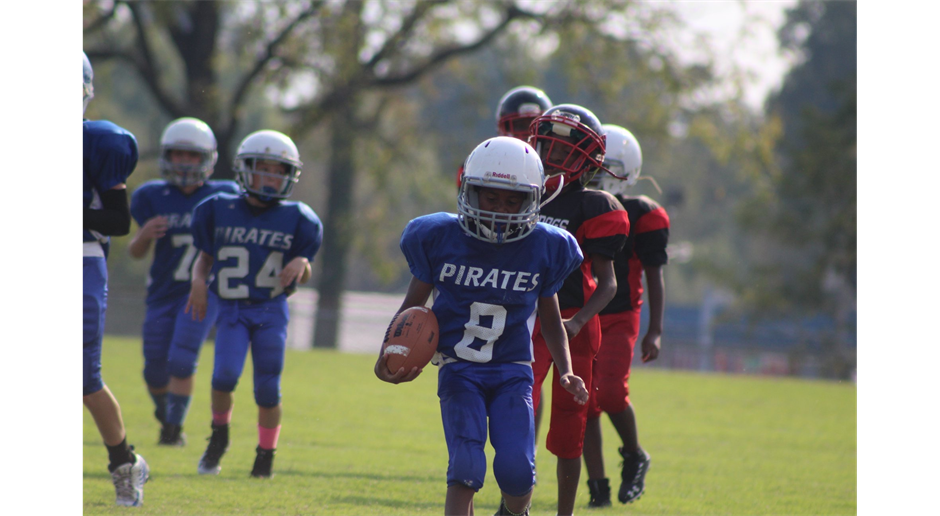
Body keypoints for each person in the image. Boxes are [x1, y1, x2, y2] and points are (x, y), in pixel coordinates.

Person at [375, 136, 590, 516]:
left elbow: (551, 318)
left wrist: (567, 370)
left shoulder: (545, 246)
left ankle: (514, 512)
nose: (501, 210)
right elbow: (412, 307)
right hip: (459, 370)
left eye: (512, 200)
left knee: (518, 472)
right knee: (466, 466)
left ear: (533, 200)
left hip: (512, 371)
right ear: (470, 192)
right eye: (491, 198)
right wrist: (388, 355)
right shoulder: (440, 238)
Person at [186, 130, 323, 478]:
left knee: (267, 387)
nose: (271, 178)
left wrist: (302, 265)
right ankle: (219, 437)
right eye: (264, 169)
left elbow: (301, 272)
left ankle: (266, 453)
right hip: (231, 308)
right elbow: (204, 258)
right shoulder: (218, 209)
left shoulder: (298, 217)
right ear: (245, 170)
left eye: (279, 171)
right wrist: (198, 281)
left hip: (270, 311)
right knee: (224, 377)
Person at [528, 105, 630, 516]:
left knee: (571, 423)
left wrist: (578, 321)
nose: (554, 155)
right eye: (549, 144)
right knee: (518, 402)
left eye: (566, 149)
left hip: (573, 322)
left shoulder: (595, 206)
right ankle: (512, 503)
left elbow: (609, 284)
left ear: (588, 159)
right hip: (529, 316)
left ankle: (564, 513)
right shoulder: (522, 189)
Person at [129, 118, 240, 446]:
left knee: (182, 359)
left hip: (202, 291)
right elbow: (136, 253)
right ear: (167, 156)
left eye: (192, 156)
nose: (185, 162)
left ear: (206, 158)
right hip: (162, 292)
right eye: (178, 155)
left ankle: (173, 430)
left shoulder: (224, 195)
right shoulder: (152, 195)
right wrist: (144, 235)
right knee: (153, 369)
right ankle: (165, 413)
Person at [582, 124, 668, 506]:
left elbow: (654, 275)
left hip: (619, 317)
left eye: (606, 166)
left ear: (626, 170)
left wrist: (656, 331)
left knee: (611, 391)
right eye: (593, 166)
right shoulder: (580, 203)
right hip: (583, 313)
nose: (597, 174)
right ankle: (597, 489)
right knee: (581, 403)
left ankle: (634, 454)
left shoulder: (643, 213)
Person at [81, 50, 150, 507]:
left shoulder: (99, 142)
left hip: (84, 258)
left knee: (84, 376)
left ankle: (125, 464)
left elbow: (119, 221)